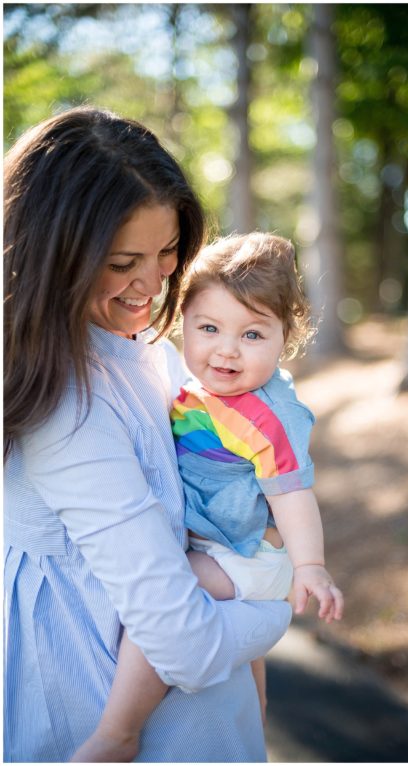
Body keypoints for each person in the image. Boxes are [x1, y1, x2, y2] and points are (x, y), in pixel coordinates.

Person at [3, 106, 291, 761]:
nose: (153, 282)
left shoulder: (151, 352)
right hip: (126, 721)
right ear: (55, 255)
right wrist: (277, 601)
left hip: (208, 710)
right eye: (123, 261)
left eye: (167, 253)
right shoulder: (65, 405)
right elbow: (181, 641)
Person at [70, 232, 345, 762]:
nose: (226, 349)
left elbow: (293, 495)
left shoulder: (266, 415)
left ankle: (120, 730)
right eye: (209, 328)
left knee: (164, 595)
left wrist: (310, 566)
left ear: (285, 338)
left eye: (253, 334)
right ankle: (254, 721)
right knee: (237, 667)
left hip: (247, 555)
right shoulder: (193, 385)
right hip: (220, 541)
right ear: (182, 323)